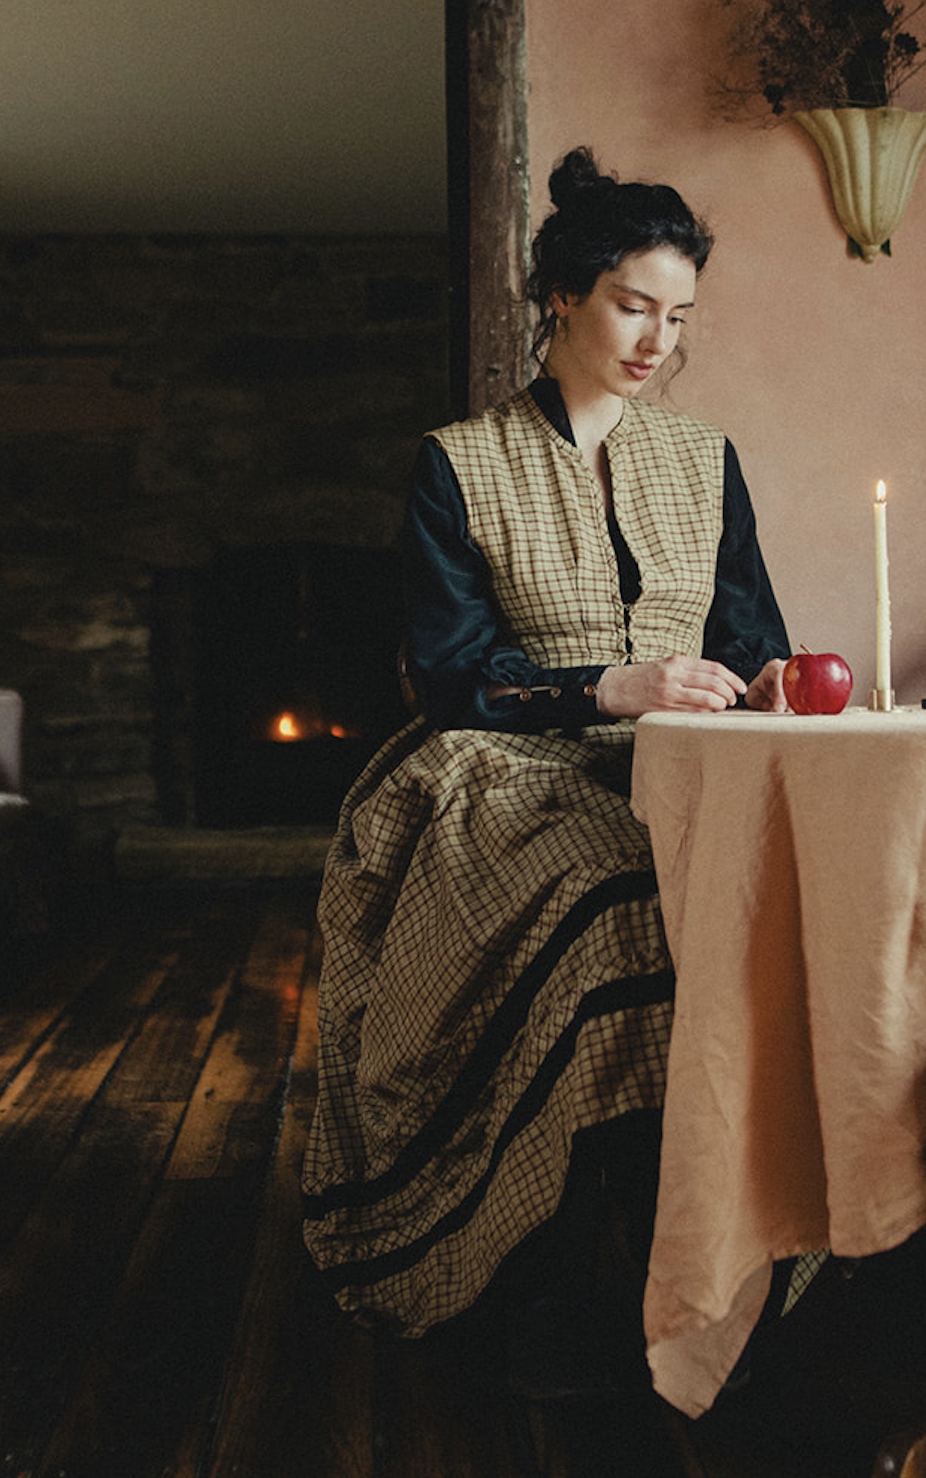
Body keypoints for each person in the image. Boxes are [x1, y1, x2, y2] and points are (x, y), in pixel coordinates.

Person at [302, 148, 791, 1391]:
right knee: (618, 896)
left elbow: (752, 642)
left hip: (681, 758)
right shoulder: (456, 460)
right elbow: (450, 672)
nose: (655, 339)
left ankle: (718, 1258)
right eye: (633, 303)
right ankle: (551, 1266)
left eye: (677, 316)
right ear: (562, 293)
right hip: (499, 763)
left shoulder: (705, 458)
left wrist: (772, 682)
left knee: (754, 897)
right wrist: (607, 687)